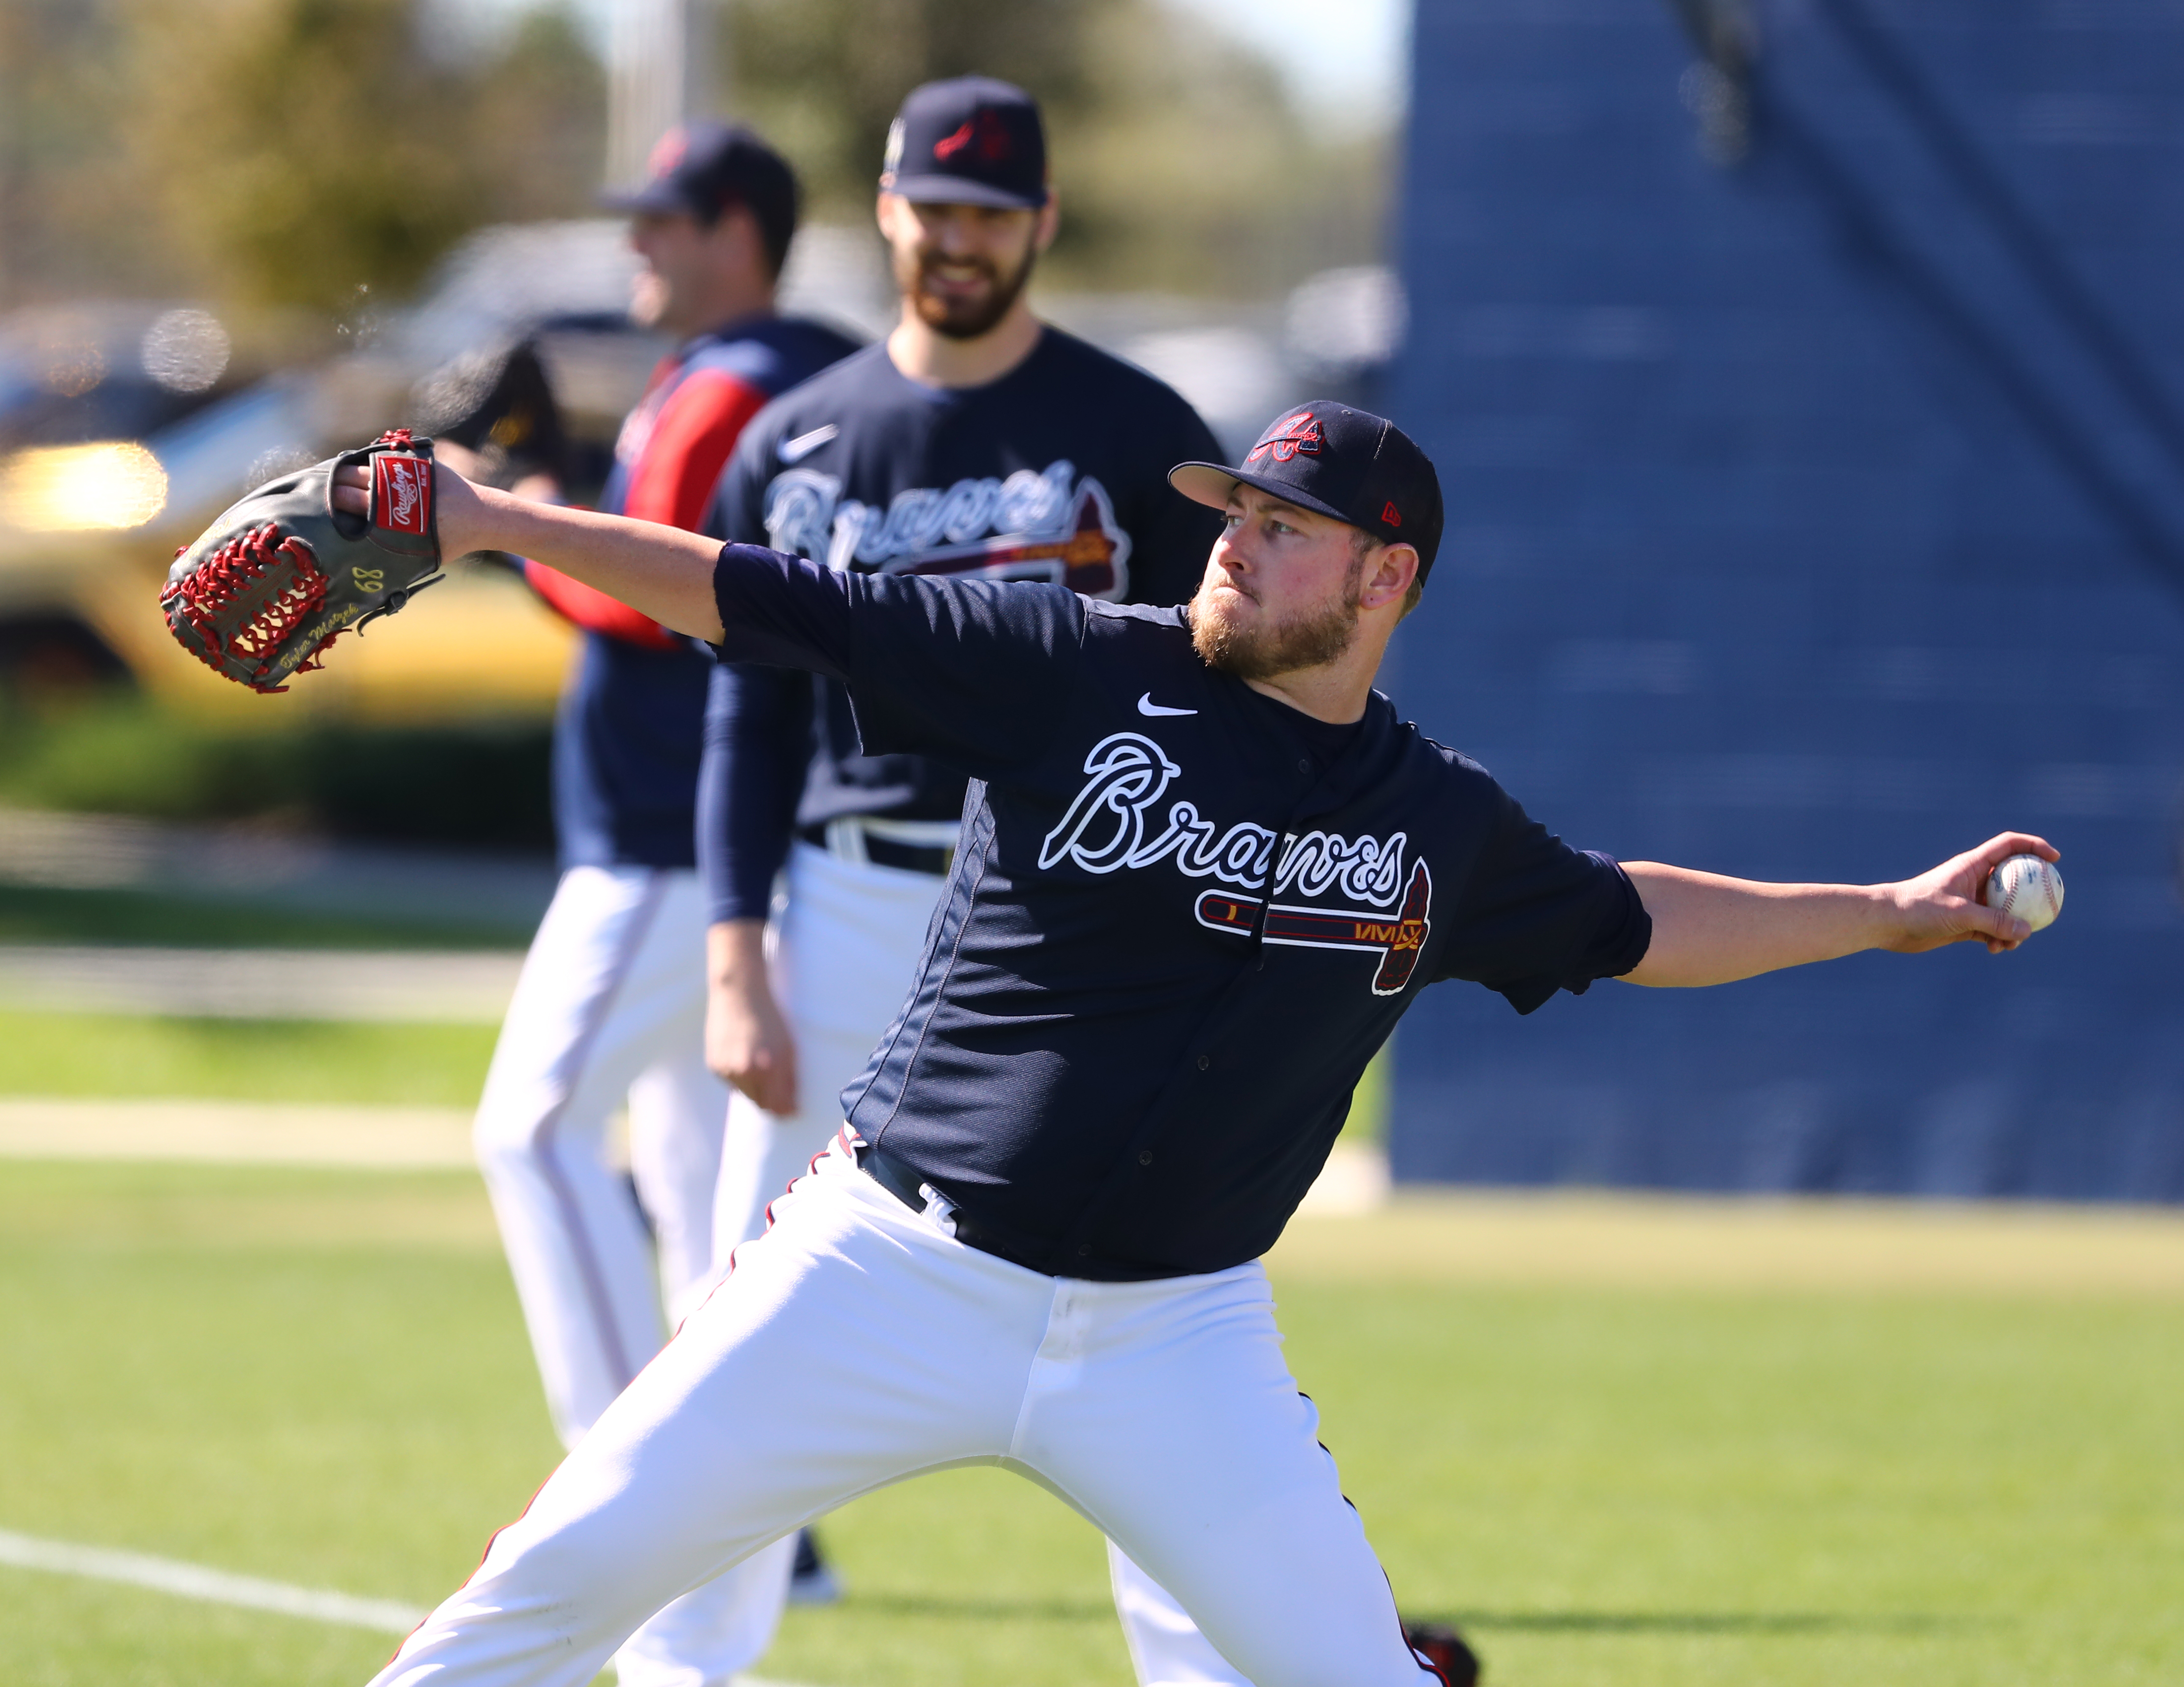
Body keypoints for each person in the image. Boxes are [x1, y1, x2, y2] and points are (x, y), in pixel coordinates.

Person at [342, 398, 2054, 1687]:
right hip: (882, 1275)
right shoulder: (1066, 667)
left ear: (1387, 576)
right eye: (1235, 509)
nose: (1236, 539)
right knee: (536, 1604)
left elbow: (1635, 918)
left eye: (1287, 524)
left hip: (1177, 1341)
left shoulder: (1437, 822)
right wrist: (491, 515)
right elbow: (764, 594)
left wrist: (1893, 908)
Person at [692, 74, 1243, 1679]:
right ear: (884, 208)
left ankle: (1206, 1662)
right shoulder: (797, 443)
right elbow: (746, 705)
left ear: (1042, 227)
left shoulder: (1140, 438)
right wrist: (735, 954)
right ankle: (683, 1665)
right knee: (740, 1318)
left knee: (1160, 1303)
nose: (959, 240)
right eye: (935, 208)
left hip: (1077, 924)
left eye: (991, 215)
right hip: (846, 894)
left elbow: (1233, 694)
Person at [464, 120, 856, 1687]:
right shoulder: (813, 367)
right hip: (756, 834)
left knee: (534, 1127)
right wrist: (551, 487)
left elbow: (649, 586)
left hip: (664, 836)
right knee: (708, 1230)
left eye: (664, 220)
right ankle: (751, 1529)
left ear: (740, 229)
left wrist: (501, 512)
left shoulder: (728, 383)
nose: (637, 245)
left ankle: (624, 1501)